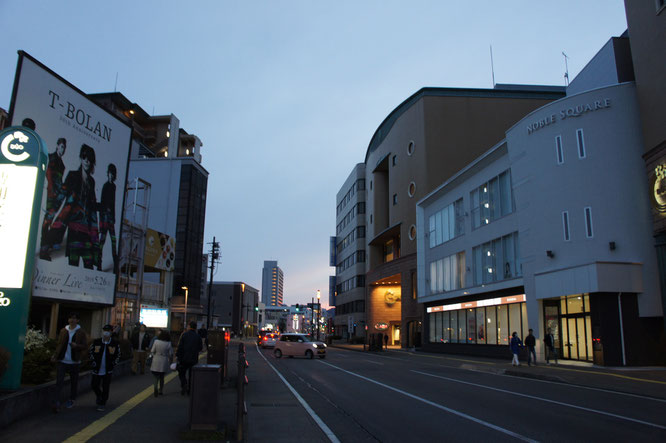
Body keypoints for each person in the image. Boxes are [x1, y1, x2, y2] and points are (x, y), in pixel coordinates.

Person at [51, 144, 100, 269]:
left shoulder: (91, 181)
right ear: (81, 158)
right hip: (74, 227)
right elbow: (62, 193)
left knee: (89, 265)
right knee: (73, 265)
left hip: (87, 230)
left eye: (89, 158)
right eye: (84, 157)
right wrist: (52, 208)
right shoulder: (73, 175)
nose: (87, 161)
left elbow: (92, 206)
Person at [52, 312, 88, 412]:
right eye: (70, 318)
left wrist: (77, 346)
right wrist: (55, 355)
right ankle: (56, 402)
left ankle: (72, 399)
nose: (72, 320)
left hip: (74, 361)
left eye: (74, 318)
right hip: (62, 360)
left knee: (74, 382)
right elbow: (59, 344)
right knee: (59, 382)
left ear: (78, 320)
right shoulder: (63, 331)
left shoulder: (81, 332)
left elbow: (85, 346)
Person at [39, 137, 67, 261]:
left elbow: (59, 180)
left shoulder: (62, 164)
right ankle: (43, 249)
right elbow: (49, 174)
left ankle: (46, 246)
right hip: (51, 194)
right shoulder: (52, 157)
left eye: (64, 148)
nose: (62, 149)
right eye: (61, 147)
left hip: (58, 196)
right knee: (47, 221)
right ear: (57, 146)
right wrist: (51, 189)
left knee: (52, 220)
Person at [89, 324, 121, 412]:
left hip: (108, 369)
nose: (106, 332)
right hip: (97, 368)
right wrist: (93, 362)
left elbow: (118, 355)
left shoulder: (114, 343)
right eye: (105, 330)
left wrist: (113, 364)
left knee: (105, 386)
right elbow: (91, 352)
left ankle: (102, 403)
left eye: (108, 330)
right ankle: (99, 395)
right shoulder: (97, 342)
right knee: (94, 385)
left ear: (111, 332)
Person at [98, 163, 118, 272]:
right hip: (105, 218)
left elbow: (113, 203)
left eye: (112, 174)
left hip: (110, 219)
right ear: (108, 174)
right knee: (103, 241)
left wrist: (113, 217)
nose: (111, 175)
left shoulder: (113, 187)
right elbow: (102, 203)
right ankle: (99, 264)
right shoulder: (106, 186)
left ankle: (115, 266)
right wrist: (102, 221)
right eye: (110, 173)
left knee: (113, 241)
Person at [176, 321, 203, 395]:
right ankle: (190, 390)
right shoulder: (198, 337)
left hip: (184, 358)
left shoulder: (184, 335)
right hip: (193, 359)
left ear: (189, 326)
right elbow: (200, 348)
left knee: (181, 373)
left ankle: (184, 384)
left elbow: (180, 347)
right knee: (192, 375)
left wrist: (177, 356)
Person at [150, 330, 174, 397]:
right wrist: (171, 361)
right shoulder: (168, 343)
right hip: (164, 360)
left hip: (156, 359)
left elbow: (152, 351)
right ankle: (161, 390)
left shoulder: (156, 341)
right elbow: (171, 353)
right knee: (162, 377)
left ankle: (155, 387)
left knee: (155, 376)